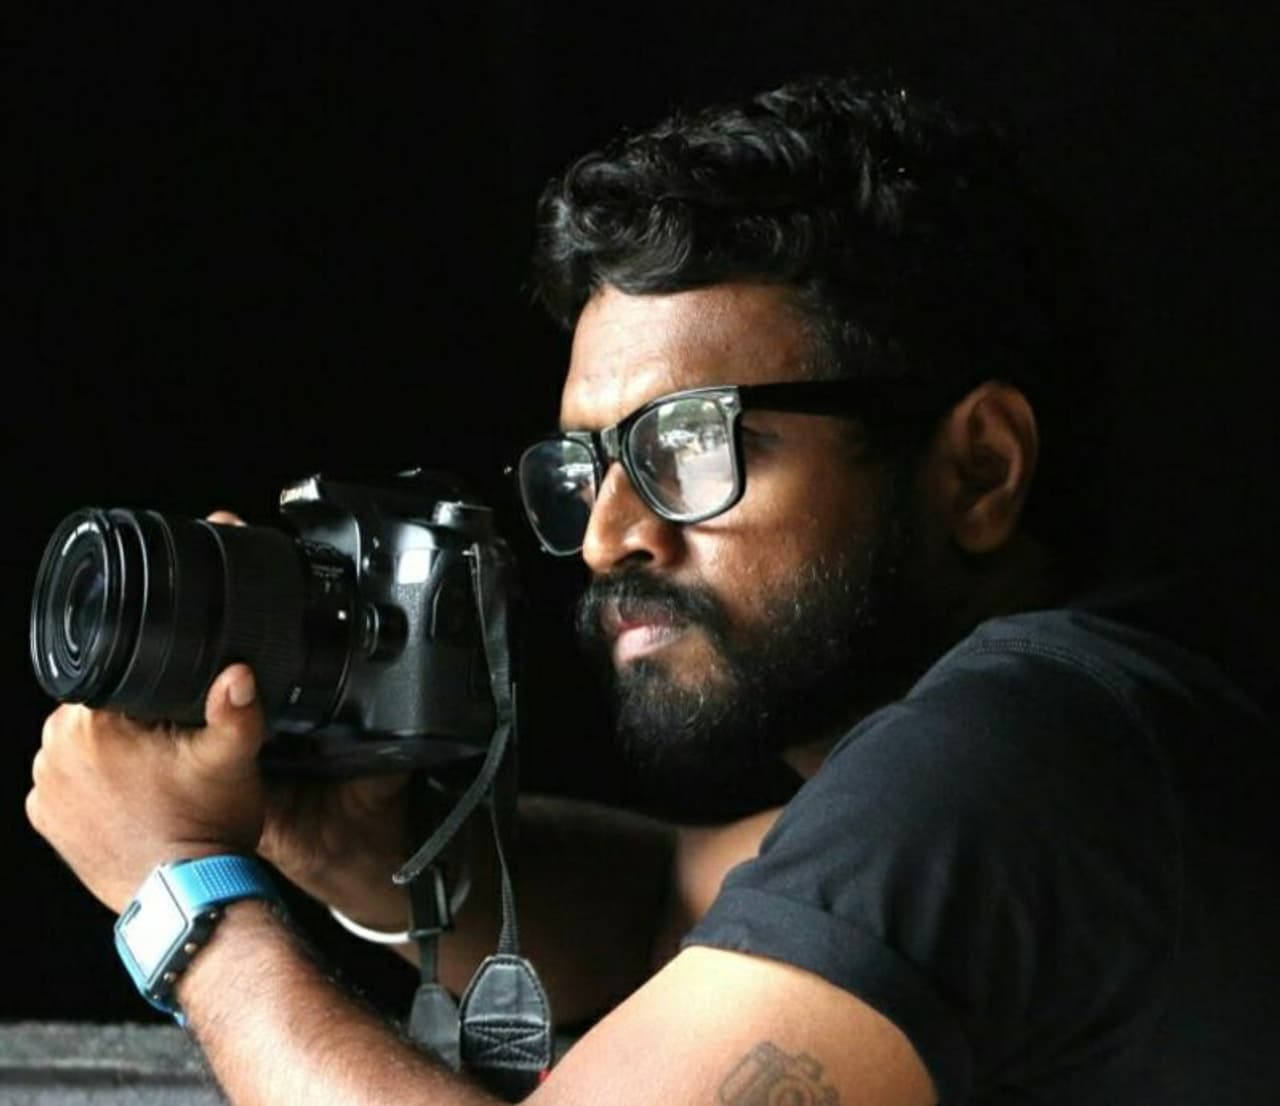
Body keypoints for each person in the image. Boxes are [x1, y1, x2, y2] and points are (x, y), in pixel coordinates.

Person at [26, 72, 1277, 1105]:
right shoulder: (1102, 725)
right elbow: (670, 901)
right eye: (587, 466)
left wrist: (182, 894)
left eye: (689, 444)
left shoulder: (1009, 753)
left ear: (978, 468)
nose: (607, 535)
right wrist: (365, 849)